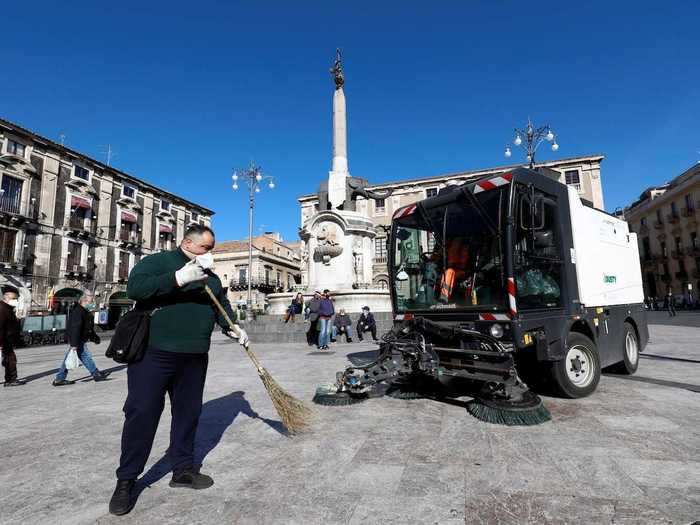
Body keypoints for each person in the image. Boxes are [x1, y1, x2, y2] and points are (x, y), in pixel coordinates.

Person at [109, 224, 249, 516]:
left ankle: (183, 470)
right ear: (187, 243)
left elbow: (220, 304)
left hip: (195, 355)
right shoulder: (158, 262)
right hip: (154, 353)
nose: (210, 254)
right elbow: (136, 289)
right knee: (142, 413)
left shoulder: (210, 277)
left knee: (188, 414)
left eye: (212, 249)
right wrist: (177, 278)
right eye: (206, 248)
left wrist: (232, 327)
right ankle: (126, 480)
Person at [52, 292, 111, 386]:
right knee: (83, 355)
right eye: (91, 301)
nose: (93, 303)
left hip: (79, 339)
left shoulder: (83, 311)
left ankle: (60, 378)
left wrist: (94, 338)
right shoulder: (78, 311)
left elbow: (87, 328)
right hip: (77, 339)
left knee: (80, 356)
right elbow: (75, 328)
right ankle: (95, 374)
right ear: (84, 301)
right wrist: (74, 344)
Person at [0, 285, 25, 387]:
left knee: (10, 360)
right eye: (13, 298)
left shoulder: (7, 308)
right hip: (4, 340)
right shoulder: (2, 309)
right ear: (6, 297)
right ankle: (10, 380)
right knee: (10, 360)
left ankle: (10, 379)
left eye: (16, 299)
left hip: (7, 340)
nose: (16, 301)